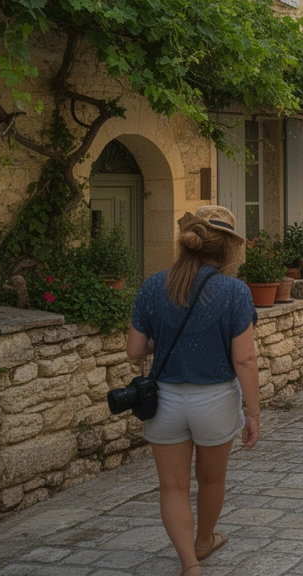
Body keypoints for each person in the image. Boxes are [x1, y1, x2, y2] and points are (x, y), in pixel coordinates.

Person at [127, 206, 260, 576]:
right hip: (215, 399)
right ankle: (204, 541)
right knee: (211, 480)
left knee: (172, 487)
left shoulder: (154, 285)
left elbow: (135, 351)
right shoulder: (234, 291)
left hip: (164, 399)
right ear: (226, 249)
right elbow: (245, 361)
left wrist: (166, 339)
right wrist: (254, 413)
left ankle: (189, 564)